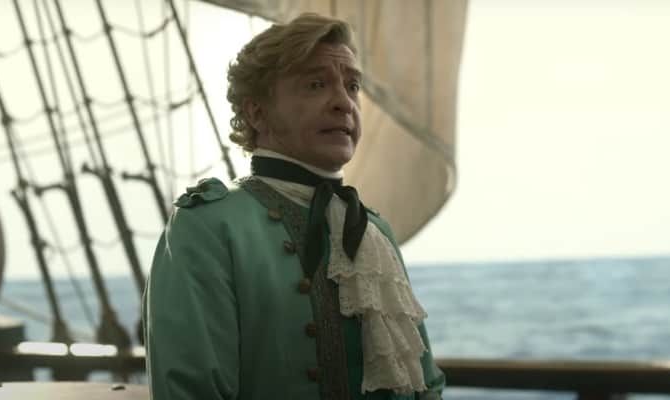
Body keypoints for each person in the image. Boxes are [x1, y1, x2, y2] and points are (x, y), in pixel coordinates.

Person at [143, 12, 445, 400]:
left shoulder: (373, 231)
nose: (344, 103)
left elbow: (426, 386)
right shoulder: (207, 226)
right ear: (256, 112)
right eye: (316, 84)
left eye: (352, 86)